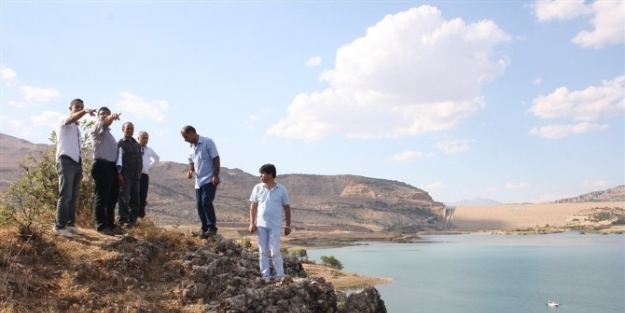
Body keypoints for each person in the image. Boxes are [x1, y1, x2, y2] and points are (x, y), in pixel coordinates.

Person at [53, 98, 96, 238]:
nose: (79, 108)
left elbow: (76, 149)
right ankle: (59, 226)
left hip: (76, 163)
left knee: (73, 195)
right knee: (65, 195)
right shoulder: (64, 121)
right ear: (70, 108)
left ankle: (70, 224)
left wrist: (81, 167)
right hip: (65, 161)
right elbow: (71, 118)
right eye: (76, 106)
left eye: (81, 106)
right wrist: (84, 111)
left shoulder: (76, 128)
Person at [248, 164, 292, 281]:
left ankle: (280, 275)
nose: (260, 175)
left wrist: (288, 225)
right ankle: (265, 276)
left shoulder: (282, 190)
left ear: (270, 174)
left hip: (275, 226)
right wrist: (252, 223)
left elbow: (287, 208)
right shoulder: (257, 188)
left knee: (275, 250)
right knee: (263, 251)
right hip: (261, 225)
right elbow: (253, 206)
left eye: (263, 173)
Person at [181, 125, 220, 237]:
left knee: (206, 202)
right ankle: (204, 229)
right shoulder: (191, 148)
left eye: (185, 136)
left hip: (209, 178)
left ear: (192, 133)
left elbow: (216, 158)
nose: (185, 139)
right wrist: (190, 171)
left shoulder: (208, 142)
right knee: (199, 205)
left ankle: (212, 228)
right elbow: (191, 162)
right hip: (198, 181)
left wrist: (215, 176)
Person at [90, 106, 124, 236]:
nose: (104, 115)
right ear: (98, 116)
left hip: (112, 168)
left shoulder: (110, 135)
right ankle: (101, 225)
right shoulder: (97, 129)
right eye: (102, 113)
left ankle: (110, 224)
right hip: (102, 166)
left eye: (107, 113)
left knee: (112, 198)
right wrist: (112, 116)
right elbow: (105, 122)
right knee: (102, 197)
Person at [117, 122, 143, 227]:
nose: (130, 130)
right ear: (123, 129)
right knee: (124, 197)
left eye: (132, 128)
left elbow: (139, 158)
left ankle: (133, 220)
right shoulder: (120, 143)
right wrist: (119, 174)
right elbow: (118, 160)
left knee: (135, 198)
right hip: (125, 175)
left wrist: (140, 170)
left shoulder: (136, 144)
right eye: (128, 128)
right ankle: (123, 220)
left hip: (136, 176)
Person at [130, 131, 160, 219]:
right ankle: (132, 216)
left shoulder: (149, 150)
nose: (145, 140)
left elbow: (157, 158)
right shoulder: (134, 148)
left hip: (144, 175)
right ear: (138, 138)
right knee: (134, 195)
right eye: (143, 138)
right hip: (135, 175)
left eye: (146, 138)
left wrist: (148, 166)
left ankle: (140, 216)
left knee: (143, 196)